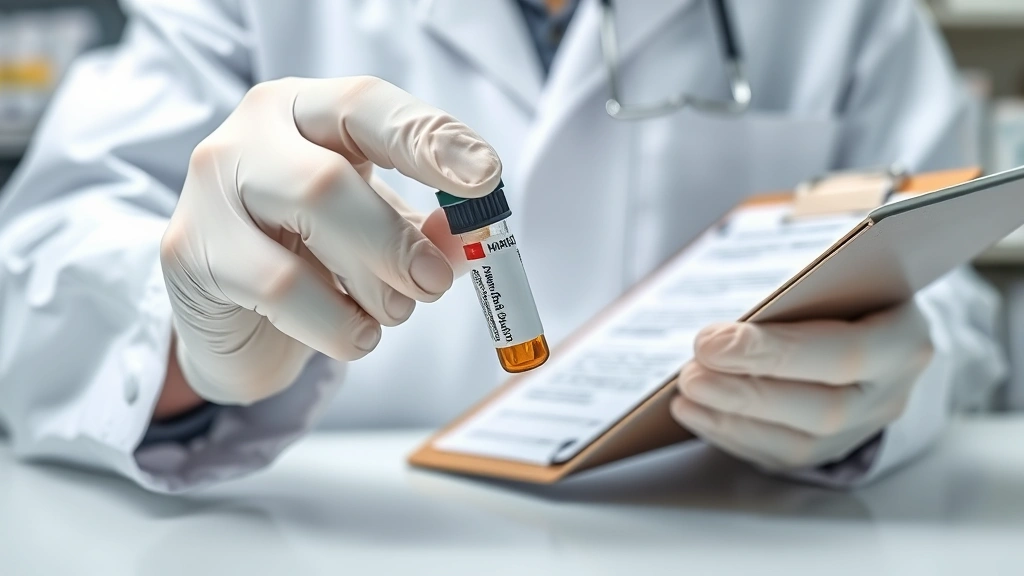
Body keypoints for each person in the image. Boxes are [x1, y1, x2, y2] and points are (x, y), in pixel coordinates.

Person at [0, 0, 1006, 493]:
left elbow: (949, 283)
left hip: (730, 532)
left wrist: (878, 385)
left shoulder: (847, 14)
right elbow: (39, 256)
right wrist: (186, 339)